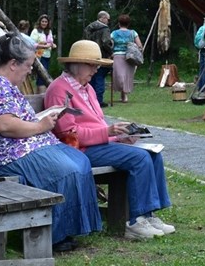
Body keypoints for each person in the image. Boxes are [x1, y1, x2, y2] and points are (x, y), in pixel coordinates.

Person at [0, 33, 101, 253]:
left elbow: (13, 120)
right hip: (4, 157)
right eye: (28, 65)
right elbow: (5, 125)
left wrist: (42, 120)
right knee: (65, 170)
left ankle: (67, 229)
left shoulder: (4, 84)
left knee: (79, 161)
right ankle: (52, 235)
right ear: (12, 64)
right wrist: (41, 127)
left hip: (21, 149)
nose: (30, 70)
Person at [46, 40, 175, 240]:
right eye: (92, 65)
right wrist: (108, 133)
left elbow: (97, 124)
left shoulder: (86, 88)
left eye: (97, 65)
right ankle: (134, 222)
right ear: (77, 64)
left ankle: (148, 215)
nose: (96, 70)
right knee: (139, 158)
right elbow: (67, 133)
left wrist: (119, 137)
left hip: (98, 144)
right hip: (77, 151)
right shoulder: (59, 89)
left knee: (152, 154)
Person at [83, 11, 114, 107]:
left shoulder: (88, 27)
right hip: (102, 56)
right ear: (103, 18)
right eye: (108, 19)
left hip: (89, 55)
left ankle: (89, 99)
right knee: (100, 77)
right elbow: (106, 42)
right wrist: (110, 52)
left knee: (90, 77)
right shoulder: (104, 29)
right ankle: (98, 100)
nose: (108, 21)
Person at [110, 14, 143, 103]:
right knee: (127, 76)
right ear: (128, 24)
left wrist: (111, 53)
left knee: (119, 76)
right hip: (130, 56)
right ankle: (124, 95)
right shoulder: (133, 33)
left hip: (117, 55)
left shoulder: (114, 33)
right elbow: (139, 45)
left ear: (119, 23)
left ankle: (124, 96)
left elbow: (110, 44)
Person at [30, 15, 56, 90]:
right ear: (40, 22)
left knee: (45, 73)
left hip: (47, 55)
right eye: (43, 21)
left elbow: (50, 42)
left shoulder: (49, 31)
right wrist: (43, 46)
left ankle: (42, 91)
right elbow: (32, 43)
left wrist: (52, 45)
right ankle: (41, 92)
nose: (44, 23)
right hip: (39, 55)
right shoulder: (35, 31)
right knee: (41, 75)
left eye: (46, 22)